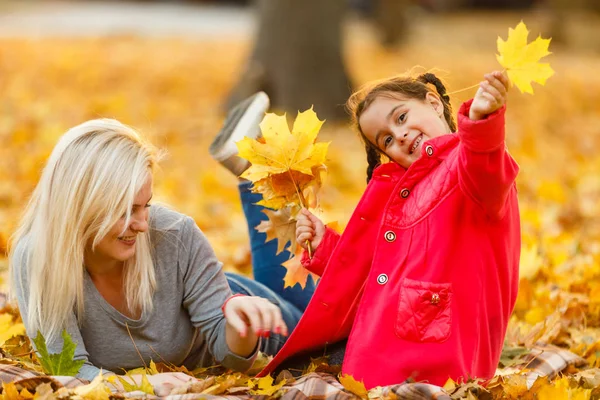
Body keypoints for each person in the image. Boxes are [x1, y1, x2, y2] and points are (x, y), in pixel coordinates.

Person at [215, 71, 520, 388]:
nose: (399, 136)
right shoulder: (411, 188)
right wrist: (326, 247)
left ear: (434, 103)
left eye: (401, 117)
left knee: (280, 327)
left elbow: (484, 167)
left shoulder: (469, 171)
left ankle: (213, 284)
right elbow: (378, 271)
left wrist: (482, 121)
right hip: (373, 343)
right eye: (386, 139)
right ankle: (212, 283)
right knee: (292, 321)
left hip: (417, 365)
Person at [8, 114, 314, 390]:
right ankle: (251, 172)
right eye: (127, 210)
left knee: (325, 336)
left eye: (147, 206)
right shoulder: (38, 259)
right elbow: (70, 372)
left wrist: (241, 324)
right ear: (81, 205)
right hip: (203, 299)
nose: (142, 225)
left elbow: (233, 359)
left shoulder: (175, 234)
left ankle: (256, 176)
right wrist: (142, 384)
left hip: (246, 315)